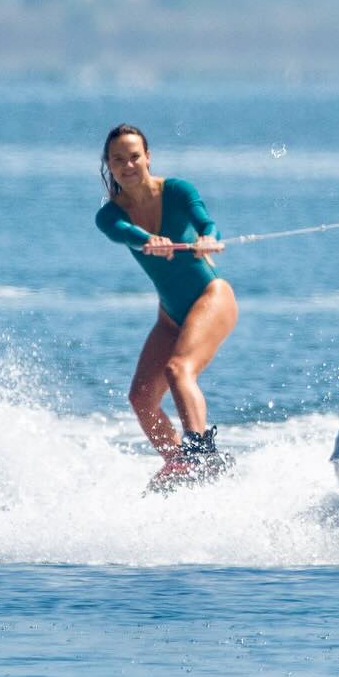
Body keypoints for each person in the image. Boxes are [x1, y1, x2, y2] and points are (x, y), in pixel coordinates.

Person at [95, 123, 240, 487]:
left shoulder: (177, 190)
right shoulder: (109, 215)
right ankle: (180, 465)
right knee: (141, 398)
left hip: (212, 297)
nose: (128, 166)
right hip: (170, 315)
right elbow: (125, 234)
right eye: (118, 160)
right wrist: (149, 240)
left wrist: (209, 239)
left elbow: (206, 222)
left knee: (178, 370)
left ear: (147, 157)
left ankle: (202, 452)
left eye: (134, 157)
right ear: (108, 165)